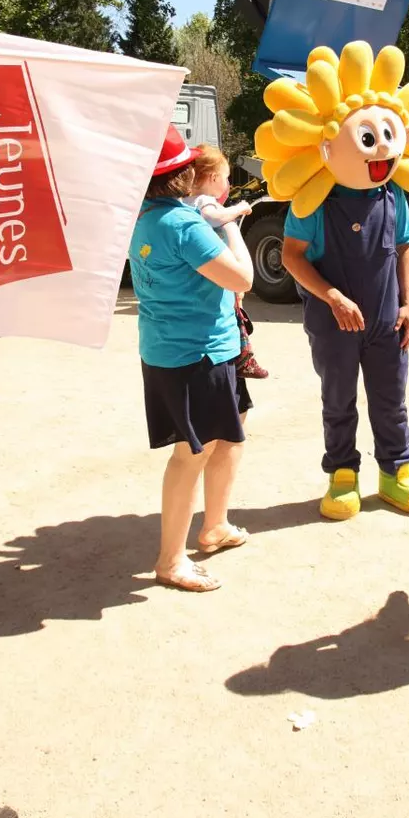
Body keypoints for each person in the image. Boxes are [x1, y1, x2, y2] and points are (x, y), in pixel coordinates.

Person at [265, 41, 409, 521]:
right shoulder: (315, 199)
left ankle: (395, 474)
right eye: (369, 137)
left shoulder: (392, 194)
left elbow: (403, 247)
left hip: (386, 320)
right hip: (332, 321)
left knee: (391, 400)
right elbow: (292, 256)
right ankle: (342, 476)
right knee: (338, 400)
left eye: (388, 134)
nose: (382, 147)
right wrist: (331, 295)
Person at [129, 124, 255, 592]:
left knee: (231, 435)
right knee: (191, 455)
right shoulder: (182, 224)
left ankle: (214, 526)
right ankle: (170, 560)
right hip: (195, 357)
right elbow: (242, 279)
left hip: (181, 352)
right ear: (182, 174)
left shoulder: (144, 216)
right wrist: (230, 225)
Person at [183, 145, 269, 379]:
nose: (228, 183)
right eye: (226, 178)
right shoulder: (204, 200)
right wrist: (239, 209)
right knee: (235, 312)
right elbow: (213, 217)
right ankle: (244, 358)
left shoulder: (184, 201)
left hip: (203, 267)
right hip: (220, 264)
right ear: (213, 178)